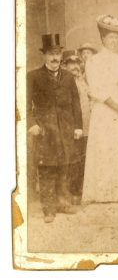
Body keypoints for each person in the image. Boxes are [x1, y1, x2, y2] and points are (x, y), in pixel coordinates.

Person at [82, 15, 118, 203]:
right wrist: (114, 104)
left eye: (116, 38)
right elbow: (95, 88)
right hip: (105, 110)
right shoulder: (94, 61)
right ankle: (105, 193)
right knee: (105, 148)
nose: (113, 41)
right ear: (103, 39)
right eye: (110, 38)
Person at [27, 34, 83, 223]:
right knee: (47, 168)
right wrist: (32, 124)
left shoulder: (68, 77)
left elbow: (76, 102)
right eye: (51, 54)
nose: (55, 58)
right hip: (45, 130)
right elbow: (25, 105)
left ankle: (63, 203)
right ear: (44, 56)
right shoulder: (33, 76)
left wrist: (78, 126)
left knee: (64, 167)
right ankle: (49, 210)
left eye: (57, 53)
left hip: (66, 129)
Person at [61, 49, 91, 206]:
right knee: (73, 160)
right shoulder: (64, 82)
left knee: (84, 158)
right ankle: (71, 191)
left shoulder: (82, 80)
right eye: (70, 63)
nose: (75, 66)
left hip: (86, 125)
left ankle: (80, 189)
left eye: (76, 63)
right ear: (64, 65)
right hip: (73, 126)